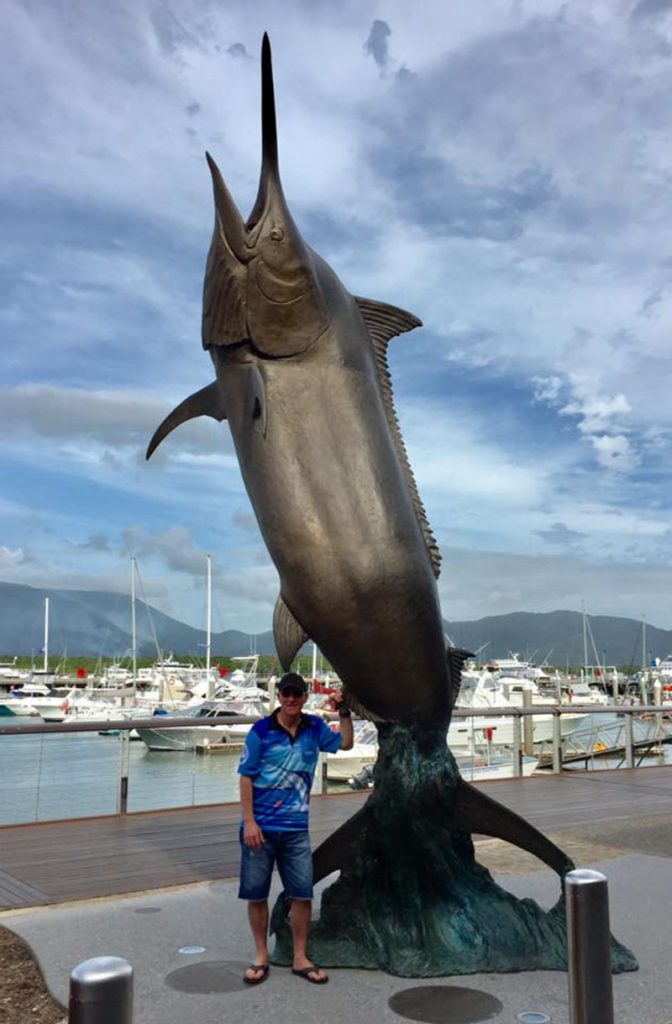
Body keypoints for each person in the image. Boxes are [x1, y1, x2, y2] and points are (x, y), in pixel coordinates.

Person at [238, 671, 354, 985]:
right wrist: (249, 821)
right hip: (260, 828)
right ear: (278, 697)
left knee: (302, 895)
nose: (290, 699)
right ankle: (261, 956)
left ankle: (300, 957)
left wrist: (344, 711)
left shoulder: (314, 727)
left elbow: (345, 743)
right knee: (257, 895)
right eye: (286, 694)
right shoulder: (260, 731)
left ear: (304, 697)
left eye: (296, 694)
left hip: (296, 829)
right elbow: (246, 776)